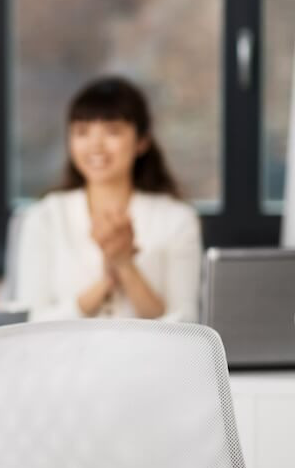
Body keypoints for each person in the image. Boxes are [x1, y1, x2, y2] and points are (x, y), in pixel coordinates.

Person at [16, 76, 202, 322]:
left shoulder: (178, 220)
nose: (96, 145)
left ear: (142, 141)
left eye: (112, 132)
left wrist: (125, 264)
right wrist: (104, 284)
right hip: (64, 359)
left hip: (148, 360)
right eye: (82, 132)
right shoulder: (44, 217)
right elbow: (30, 324)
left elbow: (185, 325)